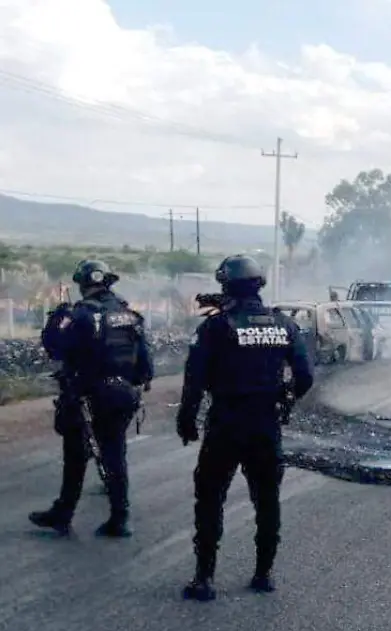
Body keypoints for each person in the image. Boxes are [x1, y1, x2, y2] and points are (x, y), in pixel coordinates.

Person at [176, 254, 314, 602]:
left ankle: (204, 579)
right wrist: (284, 397)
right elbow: (305, 377)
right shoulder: (283, 324)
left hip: (226, 424)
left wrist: (187, 420)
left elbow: (194, 381)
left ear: (225, 285)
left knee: (210, 499)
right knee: (267, 501)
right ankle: (263, 574)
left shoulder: (216, 327)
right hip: (266, 425)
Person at [29, 260, 154, 538]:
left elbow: (55, 348)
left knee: (75, 454)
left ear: (83, 284)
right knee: (114, 453)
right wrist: (140, 382)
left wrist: (55, 317)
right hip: (123, 393)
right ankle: (119, 517)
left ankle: (64, 513)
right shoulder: (127, 313)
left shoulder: (83, 314)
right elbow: (144, 360)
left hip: (89, 394)